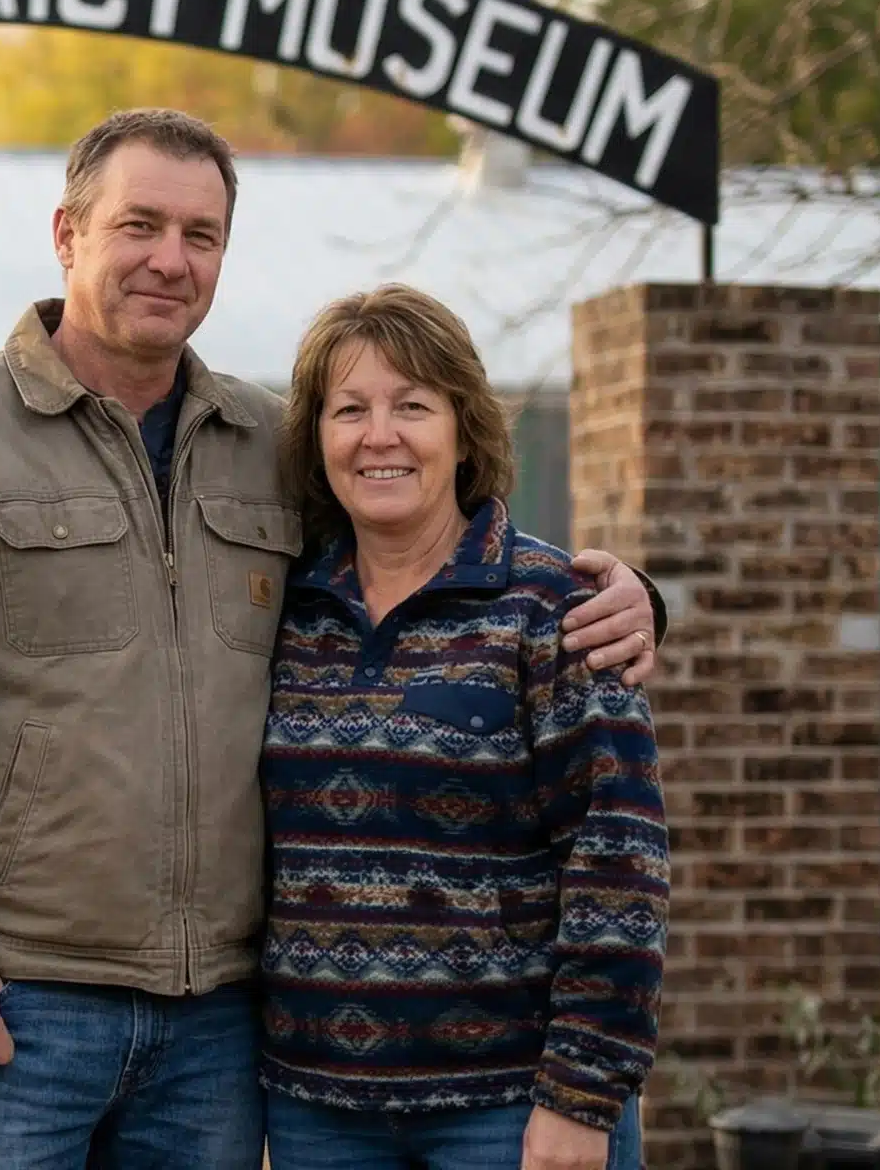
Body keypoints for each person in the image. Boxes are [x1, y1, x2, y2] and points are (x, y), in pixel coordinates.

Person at [0, 108, 664, 1169]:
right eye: (139, 225)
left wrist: (634, 595)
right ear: (67, 235)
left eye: (200, 235)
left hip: (218, 1031)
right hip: (16, 1015)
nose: (170, 258)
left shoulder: (269, 445)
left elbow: (431, 546)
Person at [257, 284, 669, 1170]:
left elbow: (619, 864)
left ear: (463, 425)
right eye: (350, 409)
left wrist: (582, 1098)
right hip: (317, 1110)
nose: (380, 435)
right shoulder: (283, 612)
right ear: (315, 437)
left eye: (413, 405)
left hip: (510, 1109)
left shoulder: (555, 610)